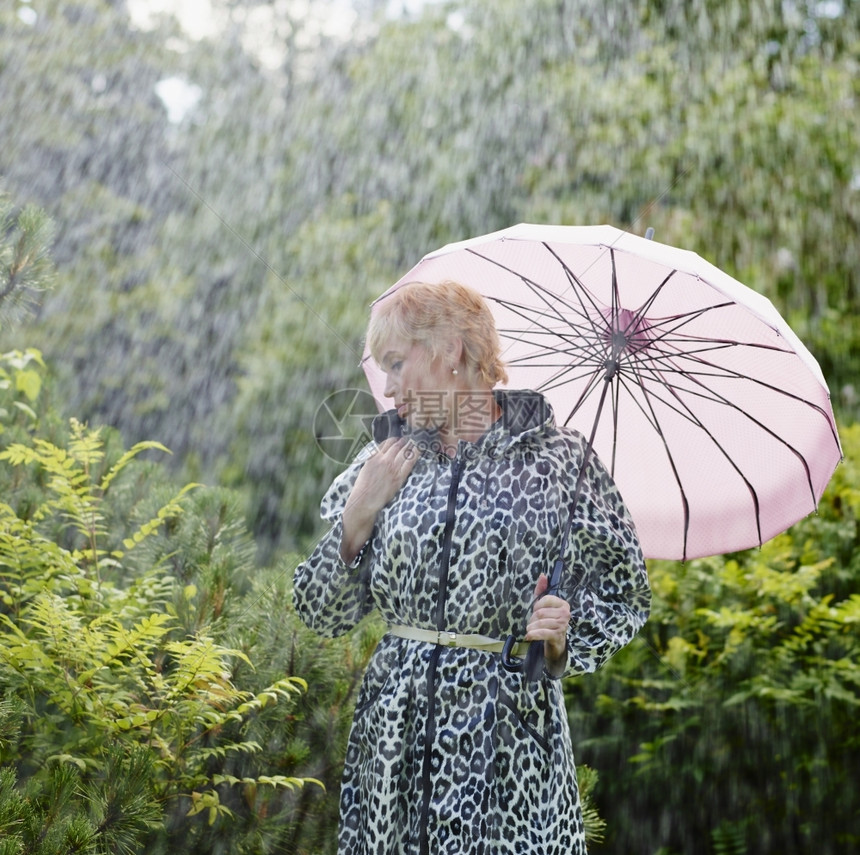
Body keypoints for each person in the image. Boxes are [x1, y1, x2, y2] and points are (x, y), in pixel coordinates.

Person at [293, 280, 650, 855]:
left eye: (396, 363)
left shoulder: (561, 461)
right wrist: (357, 515)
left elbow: (624, 593)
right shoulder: (383, 460)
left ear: (450, 349)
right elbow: (320, 610)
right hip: (395, 742)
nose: (386, 387)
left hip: (509, 741)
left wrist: (562, 637)